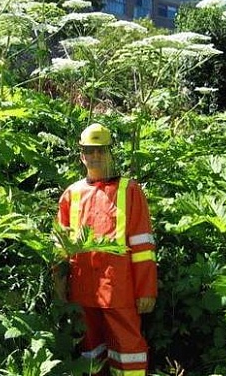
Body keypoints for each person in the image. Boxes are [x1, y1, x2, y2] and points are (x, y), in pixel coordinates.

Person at [57, 122, 158, 376]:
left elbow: (143, 245)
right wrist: (59, 285)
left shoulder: (130, 191)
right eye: (90, 151)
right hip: (82, 290)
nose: (95, 156)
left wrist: (146, 289)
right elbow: (59, 247)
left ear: (110, 152)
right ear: (81, 154)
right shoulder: (71, 194)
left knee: (128, 351)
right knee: (89, 352)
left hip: (119, 290)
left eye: (101, 150)